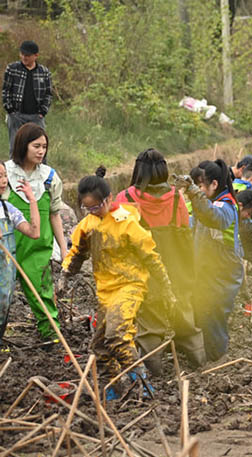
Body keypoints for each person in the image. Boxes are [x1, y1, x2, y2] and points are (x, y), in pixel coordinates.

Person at [63, 167, 177, 399]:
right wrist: (65, 274)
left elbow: (151, 257)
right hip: (105, 291)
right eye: (87, 207)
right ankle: (113, 387)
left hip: (129, 286)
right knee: (100, 347)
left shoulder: (127, 222)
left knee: (117, 335)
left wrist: (166, 288)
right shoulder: (88, 225)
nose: (93, 211)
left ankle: (143, 385)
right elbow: (77, 253)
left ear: (109, 199)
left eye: (96, 206)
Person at [115, 149, 205, 375]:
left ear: (138, 171)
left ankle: (153, 371)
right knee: (185, 317)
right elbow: (186, 232)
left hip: (145, 272)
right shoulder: (177, 198)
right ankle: (199, 364)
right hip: (178, 269)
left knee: (150, 325)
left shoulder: (125, 199)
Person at [174, 159, 243, 362]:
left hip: (223, 272)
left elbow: (214, 218)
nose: (199, 192)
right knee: (201, 312)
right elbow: (193, 223)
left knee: (214, 315)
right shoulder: (208, 203)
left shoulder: (226, 204)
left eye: (201, 187)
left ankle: (218, 360)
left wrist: (194, 194)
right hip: (208, 269)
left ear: (214, 184)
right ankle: (204, 355)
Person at [4, 123, 67, 341]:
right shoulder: (6, 173)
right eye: (36, 146)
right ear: (23, 146)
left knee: (42, 294)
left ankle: (51, 336)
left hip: (37, 248)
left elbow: (54, 215)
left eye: (44, 147)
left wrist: (64, 249)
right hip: (8, 246)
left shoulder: (49, 177)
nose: (41, 151)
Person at [0, 164, 39, 339]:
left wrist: (32, 200)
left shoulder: (7, 210)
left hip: (5, 283)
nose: (3, 181)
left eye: (4, 175)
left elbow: (34, 232)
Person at [2, 40, 51, 157]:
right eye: (22, 54)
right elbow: (6, 91)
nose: (24, 57)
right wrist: (10, 111)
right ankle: (14, 174)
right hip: (16, 115)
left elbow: (48, 94)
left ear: (36, 56)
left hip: (36, 116)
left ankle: (39, 174)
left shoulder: (44, 72)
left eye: (27, 55)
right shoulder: (12, 69)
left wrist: (43, 111)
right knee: (15, 149)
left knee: (40, 149)